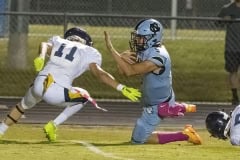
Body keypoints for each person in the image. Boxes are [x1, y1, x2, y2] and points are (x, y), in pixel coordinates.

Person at [0, 27, 141, 142]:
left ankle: (1, 131)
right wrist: (121, 87)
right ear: (86, 41)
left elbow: (43, 45)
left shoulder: (58, 40)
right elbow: (100, 74)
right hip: (56, 91)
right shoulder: (89, 51)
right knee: (84, 96)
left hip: (39, 83)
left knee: (22, 106)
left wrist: (41, 56)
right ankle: (53, 124)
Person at [104, 18, 202, 145]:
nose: (137, 40)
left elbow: (130, 71)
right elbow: (122, 71)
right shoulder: (146, 50)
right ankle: (177, 107)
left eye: (141, 37)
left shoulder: (159, 56)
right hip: (157, 96)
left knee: (137, 141)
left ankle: (185, 134)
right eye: (137, 37)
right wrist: (122, 56)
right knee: (144, 133)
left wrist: (112, 50)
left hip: (156, 105)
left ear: (153, 37)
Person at [217, 0, 240, 105]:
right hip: (232, 46)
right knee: (233, 71)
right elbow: (218, 23)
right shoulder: (227, 8)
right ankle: (235, 96)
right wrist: (224, 19)